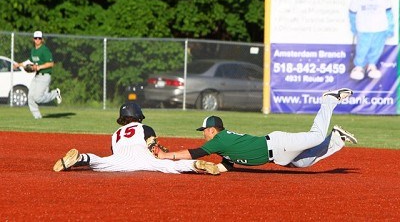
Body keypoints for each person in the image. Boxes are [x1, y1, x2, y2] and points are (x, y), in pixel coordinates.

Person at [156, 88, 358, 172]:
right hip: (278, 156)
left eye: (204, 130)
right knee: (304, 162)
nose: (203, 134)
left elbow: (194, 152)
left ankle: (329, 100)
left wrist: (167, 156)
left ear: (212, 130)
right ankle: (336, 138)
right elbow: (229, 163)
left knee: (316, 136)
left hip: (278, 144)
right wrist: (214, 169)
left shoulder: (219, 140)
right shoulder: (225, 144)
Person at [53, 102, 219, 175]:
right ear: (138, 116)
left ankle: (81, 157)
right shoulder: (144, 127)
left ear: (123, 118)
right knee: (169, 166)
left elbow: (115, 152)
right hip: (143, 159)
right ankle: (196, 164)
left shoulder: (115, 134)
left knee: (100, 162)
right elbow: (152, 147)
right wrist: (160, 151)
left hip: (119, 161)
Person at [14, 31, 62, 119]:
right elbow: (29, 61)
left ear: (42, 39)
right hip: (37, 76)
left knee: (38, 98)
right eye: (36, 38)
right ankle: (38, 117)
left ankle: (55, 93)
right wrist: (19, 64)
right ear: (33, 39)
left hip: (45, 75)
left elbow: (51, 64)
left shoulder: (44, 50)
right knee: (30, 97)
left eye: (39, 38)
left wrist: (39, 67)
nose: (37, 40)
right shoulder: (33, 50)